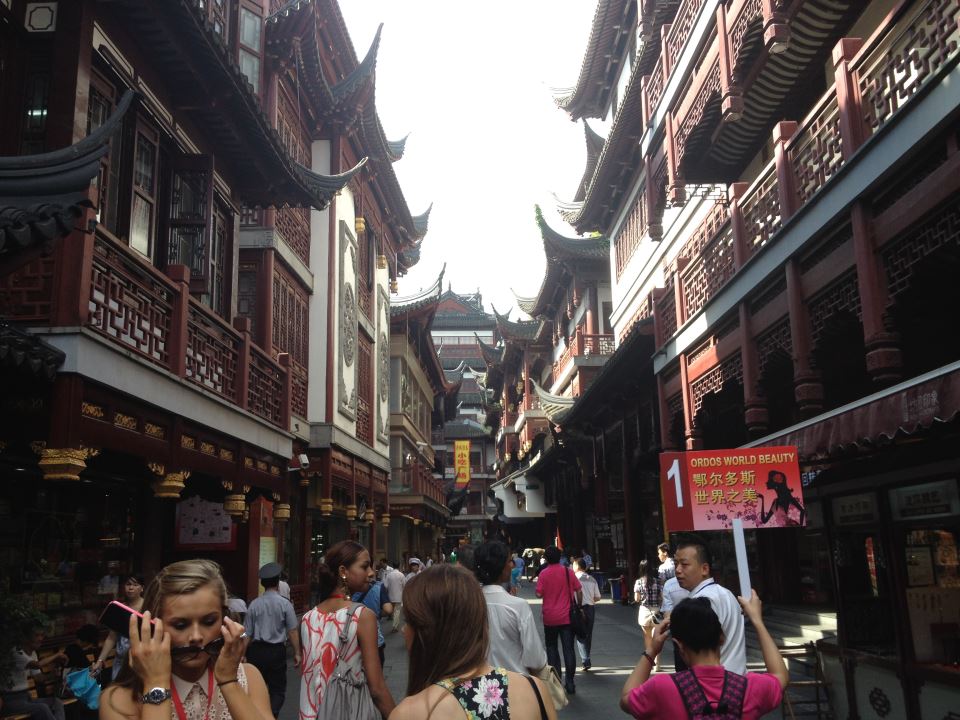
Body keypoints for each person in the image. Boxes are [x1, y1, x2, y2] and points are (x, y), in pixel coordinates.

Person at [99, 559, 273, 720]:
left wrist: (229, 682)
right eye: (180, 625)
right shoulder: (118, 700)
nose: (196, 636)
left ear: (224, 620)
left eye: (209, 622)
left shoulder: (248, 677)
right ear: (151, 626)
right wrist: (156, 685)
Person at [389, 564, 557, 720]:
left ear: (428, 630)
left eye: (408, 621)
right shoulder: (534, 690)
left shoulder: (411, 712)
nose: (404, 630)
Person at [620, 591, 788, 719]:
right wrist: (757, 621)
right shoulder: (751, 687)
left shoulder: (662, 688)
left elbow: (626, 699)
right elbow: (780, 676)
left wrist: (651, 651)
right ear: (721, 638)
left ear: (679, 645)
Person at [299, 540, 395, 719]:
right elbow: (377, 689)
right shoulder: (362, 616)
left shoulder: (307, 618)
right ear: (343, 571)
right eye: (364, 566)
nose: (371, 573)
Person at [472, 541, 548, 675]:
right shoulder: (518, 606)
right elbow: (536, 659)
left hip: (479, 682)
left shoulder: (468, 605)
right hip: (516, 682)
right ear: (500, 567)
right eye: (509, 561)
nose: (512, 565)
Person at [673, 537, 746, 674]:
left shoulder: (703, 601)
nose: (677, 570)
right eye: (676, 564)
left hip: (713, 681)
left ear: (704, 569)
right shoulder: (726, 593)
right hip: (736, 678)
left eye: (684, 564)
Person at [245, 562, 301, 717]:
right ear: (277, 582)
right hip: (276, 652)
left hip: (256, 651)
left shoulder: (254, 604)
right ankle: (272, 714)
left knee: (256, 687)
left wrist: (242, 654)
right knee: (277, 690)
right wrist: (297, 652)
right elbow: (292, 631)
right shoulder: (285, 604)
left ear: (262, 584)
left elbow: (247, 633)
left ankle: (258, 714)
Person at [535, 546, 581, 695]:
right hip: (567, 617)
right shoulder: (568, 572)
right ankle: (570, 682)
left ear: (546, 559)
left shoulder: (543, 574)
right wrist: (579, 606)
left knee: (552, 648)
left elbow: (538, 594)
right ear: (560, 557)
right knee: (569, 649)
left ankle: (556, 681)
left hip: (550, 618)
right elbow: (579, 590)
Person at [2, 627, 68, 720]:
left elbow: (38, 678)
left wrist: (53, 675)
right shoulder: (16, 652)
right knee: (42, 708)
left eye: (42, 635)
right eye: (37, 635)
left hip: (26, 697)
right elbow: (37, 665)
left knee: (56, 702)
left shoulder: (32, 653)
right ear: (26, 638)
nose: (40, 639)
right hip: (11, 701)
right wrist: (57, 655)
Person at [92, 573, 145, 681]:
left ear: (142, 588)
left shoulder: (147, 607)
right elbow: (112, 637)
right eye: (128, 584)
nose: (131, 588)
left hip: (140, 663)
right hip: (120, 662)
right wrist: (100, 661)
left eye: (135, 585)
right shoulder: (120, 608)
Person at [352, 574, 393, 667]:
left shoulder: (347, 587)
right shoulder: (378, 586)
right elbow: (388, 609)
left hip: (351, 640)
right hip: (375, 639)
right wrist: (377, 613)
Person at [633, 559, 663, 670]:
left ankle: (650, 662)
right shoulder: (658, 582)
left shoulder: (639, 582)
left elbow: (637, 599)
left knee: (647, 637)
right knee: (657, 638)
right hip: (656, 611)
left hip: (644, 611)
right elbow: (661, 598)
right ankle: (657, 663)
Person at [572, 558, 601, 671]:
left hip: (578, 608)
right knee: (588, 634)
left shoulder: (573, 578)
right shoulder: (592, 579)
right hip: (590, 608)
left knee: (580, 634)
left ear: (577, 566)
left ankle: (586, 660)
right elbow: (598, 597)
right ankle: (586, 658)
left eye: (573, 565)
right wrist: (589, 599)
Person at [658, 575, 691, 671]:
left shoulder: (670, 584)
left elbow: (668, 612)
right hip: (699, 627)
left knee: (680, 658)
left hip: (678, 627)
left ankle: (682, 678)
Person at [381, 560, 406, 634]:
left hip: (390, 596)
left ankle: (394, 624)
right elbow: (404, 585)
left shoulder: (389, 575)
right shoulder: (401, 575)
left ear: (393, 565)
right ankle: (395, 626)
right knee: (397, 612)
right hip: (399, 596)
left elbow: (385, 586)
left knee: (393, 611)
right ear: (399, 566)